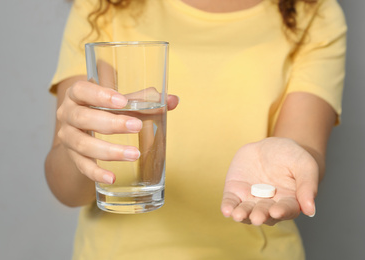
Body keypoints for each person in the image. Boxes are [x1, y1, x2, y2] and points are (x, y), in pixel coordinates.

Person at [45, 0, 347, 259]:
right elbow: (67, 191)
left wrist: (295, 158)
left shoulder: (314, 11)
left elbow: (304, 144)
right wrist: (80, 145)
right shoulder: (102, 6)